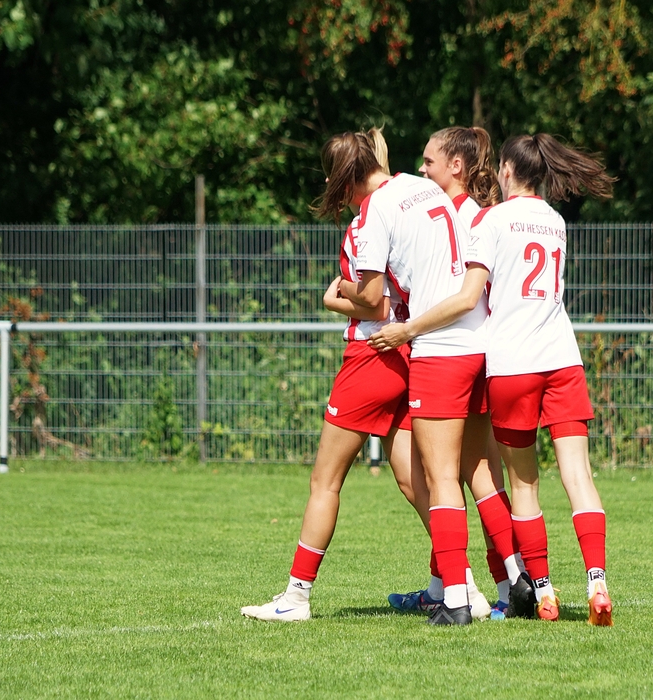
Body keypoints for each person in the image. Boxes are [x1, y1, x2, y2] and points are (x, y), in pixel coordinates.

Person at [369, 132, 615, 625]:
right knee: (577, 476)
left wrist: (409, 328)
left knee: (517, 484)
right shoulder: (555, 220)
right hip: (561, 357)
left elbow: (468, 296)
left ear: (505, 170)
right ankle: (595, 582)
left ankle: (535, 590)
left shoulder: (490, 220)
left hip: (508, 361)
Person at [241, 128, 428, 622]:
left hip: (371, 355)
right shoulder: (414, 192)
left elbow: (373, 302)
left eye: (331, 175)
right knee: (414, 481)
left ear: (346, 175)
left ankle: (296, 597)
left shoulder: (368, 218)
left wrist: (336, 293)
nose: (329, 185)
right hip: (411, 350)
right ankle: (458, 583)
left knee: (325, 481)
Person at [386, 127, 529, 621]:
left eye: (429, 162)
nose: (421, 169)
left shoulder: (446, 217)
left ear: (457, 167)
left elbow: (459, 296)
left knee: (440, 478)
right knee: (481, 475)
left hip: (444, 353)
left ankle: (454, 598)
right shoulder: (481, 215)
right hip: (482, 355)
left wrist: (408, 328)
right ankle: (513, 582)